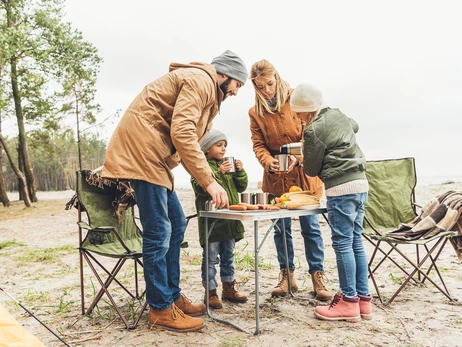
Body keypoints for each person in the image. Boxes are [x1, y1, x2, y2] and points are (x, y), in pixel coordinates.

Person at [101, 50, 248, 332]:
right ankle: (160, 308)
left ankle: (171, 296)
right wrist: (209, 181)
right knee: (159, 232)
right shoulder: (200, 81)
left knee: (177, 224)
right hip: (143, 152)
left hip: (153, 156)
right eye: (238, 85)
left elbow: (189, 134)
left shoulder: (205, 90)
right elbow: (182, 133)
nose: (237, 92)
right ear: (226, 75)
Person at [248, 60, 332, 301]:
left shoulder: (296, 98)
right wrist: (267, 161)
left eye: (270, 84)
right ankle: (287, 276)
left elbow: (312, 131)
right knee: (280, 230)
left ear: (277, 77)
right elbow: (258, 144)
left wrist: (299, 155)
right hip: (276, 178)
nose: (266, 90)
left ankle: (317, 276)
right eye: (260, 87)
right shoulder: (255, 112)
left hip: (305, 174)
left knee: (311, 228)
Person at [290, 83, 371, 323]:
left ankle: (347, 302)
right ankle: (362, 300)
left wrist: (304, 153)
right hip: (361, 183)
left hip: (341, 189)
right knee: (356, 241)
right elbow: (354, 126)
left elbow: (313, 169)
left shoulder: (312, 130)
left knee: (343, 244)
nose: (297, 117)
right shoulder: (338, 115)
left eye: (298, 113)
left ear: (305, 111)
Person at [191, 129, 248, 309]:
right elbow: (201, 188)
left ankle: (228, 288)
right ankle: (210, 292)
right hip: (212, 225)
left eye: (225, 146)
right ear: (207, 149)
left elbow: (241, 187)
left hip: (229, 223)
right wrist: (219, 174)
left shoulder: (226, 165)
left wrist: (239, 171)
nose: (223, 149)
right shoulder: (202, 167)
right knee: (210, 258)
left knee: (228, 257)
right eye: (219, 145)